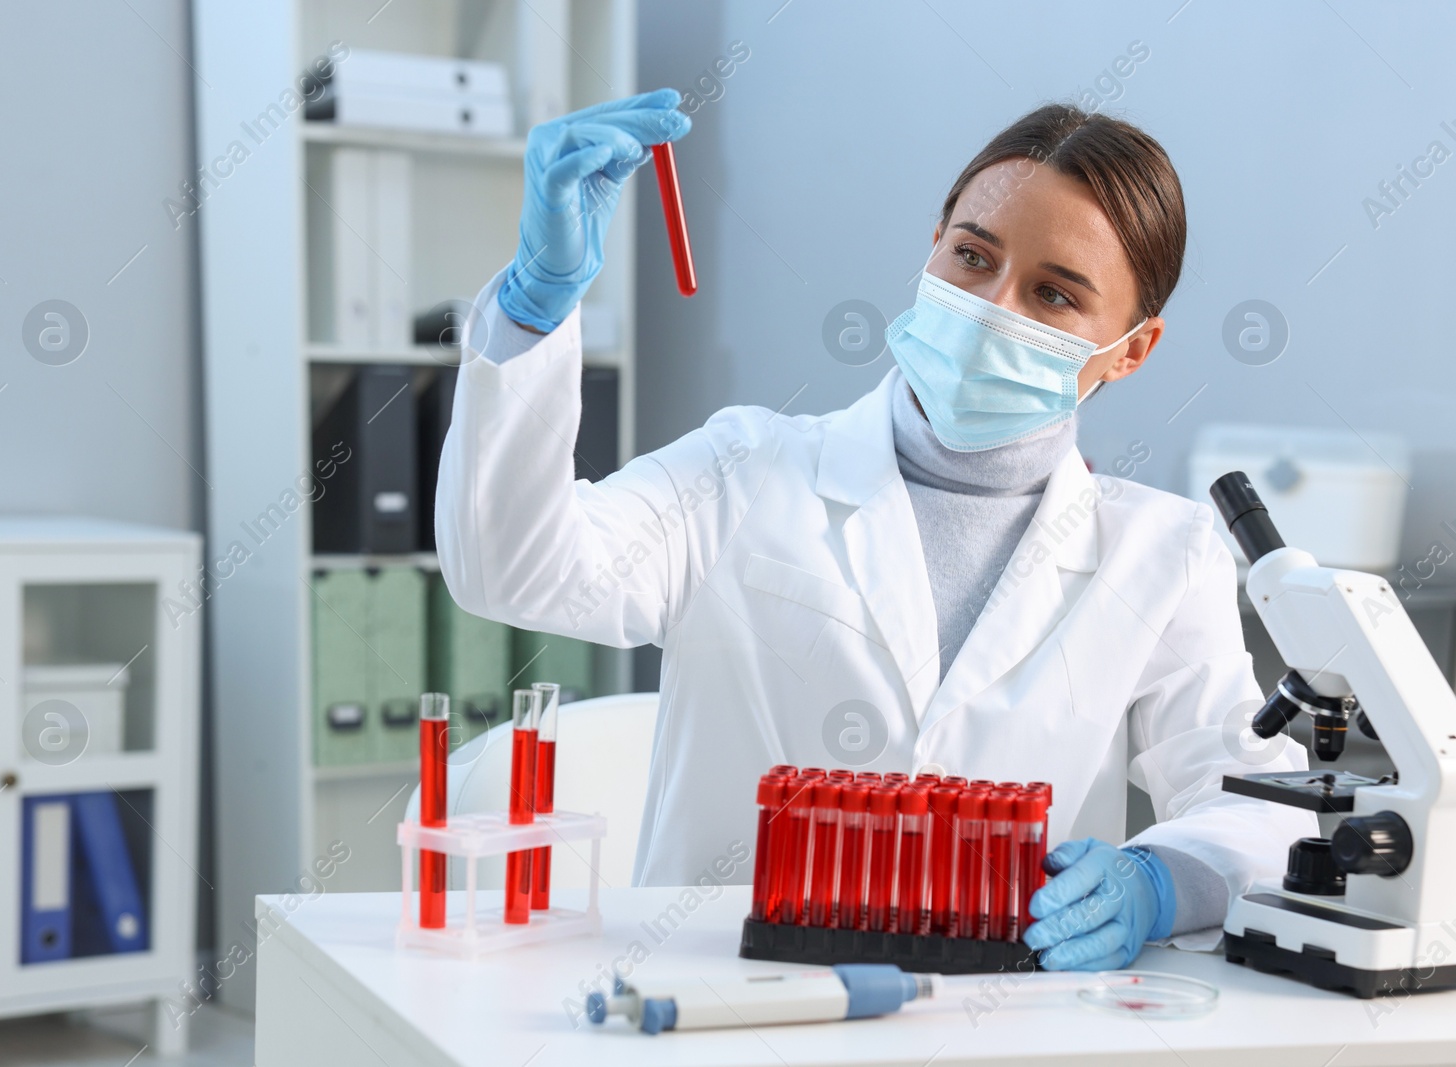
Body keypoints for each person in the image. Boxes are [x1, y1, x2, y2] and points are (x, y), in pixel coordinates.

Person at [433, 89, 1316, 970]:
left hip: (1010, 1015)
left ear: (1131, 349)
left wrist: (1160, 882)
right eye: (973, 256)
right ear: (932, 246)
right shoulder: (744, 469)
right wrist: (532, 308)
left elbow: (1260, 801)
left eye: (1053, 295)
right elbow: (511, 568)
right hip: (717, 1002)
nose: (992, 307)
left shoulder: (1162, 552)